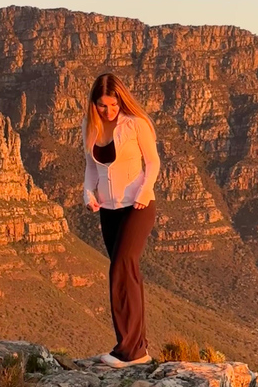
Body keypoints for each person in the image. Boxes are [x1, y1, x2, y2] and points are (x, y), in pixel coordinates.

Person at [82, 72, 160, 368]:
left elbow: (152, 162)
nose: (109, 111)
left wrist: (146, 190)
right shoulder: (90, 126)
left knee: (121, 267)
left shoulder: (136, 124)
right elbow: (91, 166)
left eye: (113, 105)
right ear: (94, 104)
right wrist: (88, 193)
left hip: (138, 206)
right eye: (103, 105)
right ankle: (138, 348)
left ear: (121, 100)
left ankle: (128, 351)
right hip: (108, 209)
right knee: (128, 273)